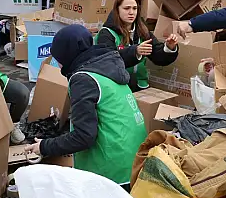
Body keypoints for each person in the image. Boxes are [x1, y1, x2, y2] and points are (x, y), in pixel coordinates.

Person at [24, 25, 147, 187]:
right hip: (135, 158)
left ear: (67, 54)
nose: (58, 64)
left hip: (113, 168)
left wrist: (44, 147)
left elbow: (84, 137)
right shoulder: (106, 67)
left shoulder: (83, 79)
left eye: (58, 58)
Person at [95, 0, 179, 92]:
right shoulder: (106, 33)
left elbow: (158, 57)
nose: (131, 12)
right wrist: (135, 51)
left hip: (140, 85)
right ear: (117, 10)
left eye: (134, 8)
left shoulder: (142, 31)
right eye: (126, 8)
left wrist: (169, 47)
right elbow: (108, 62)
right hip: (116, 87)